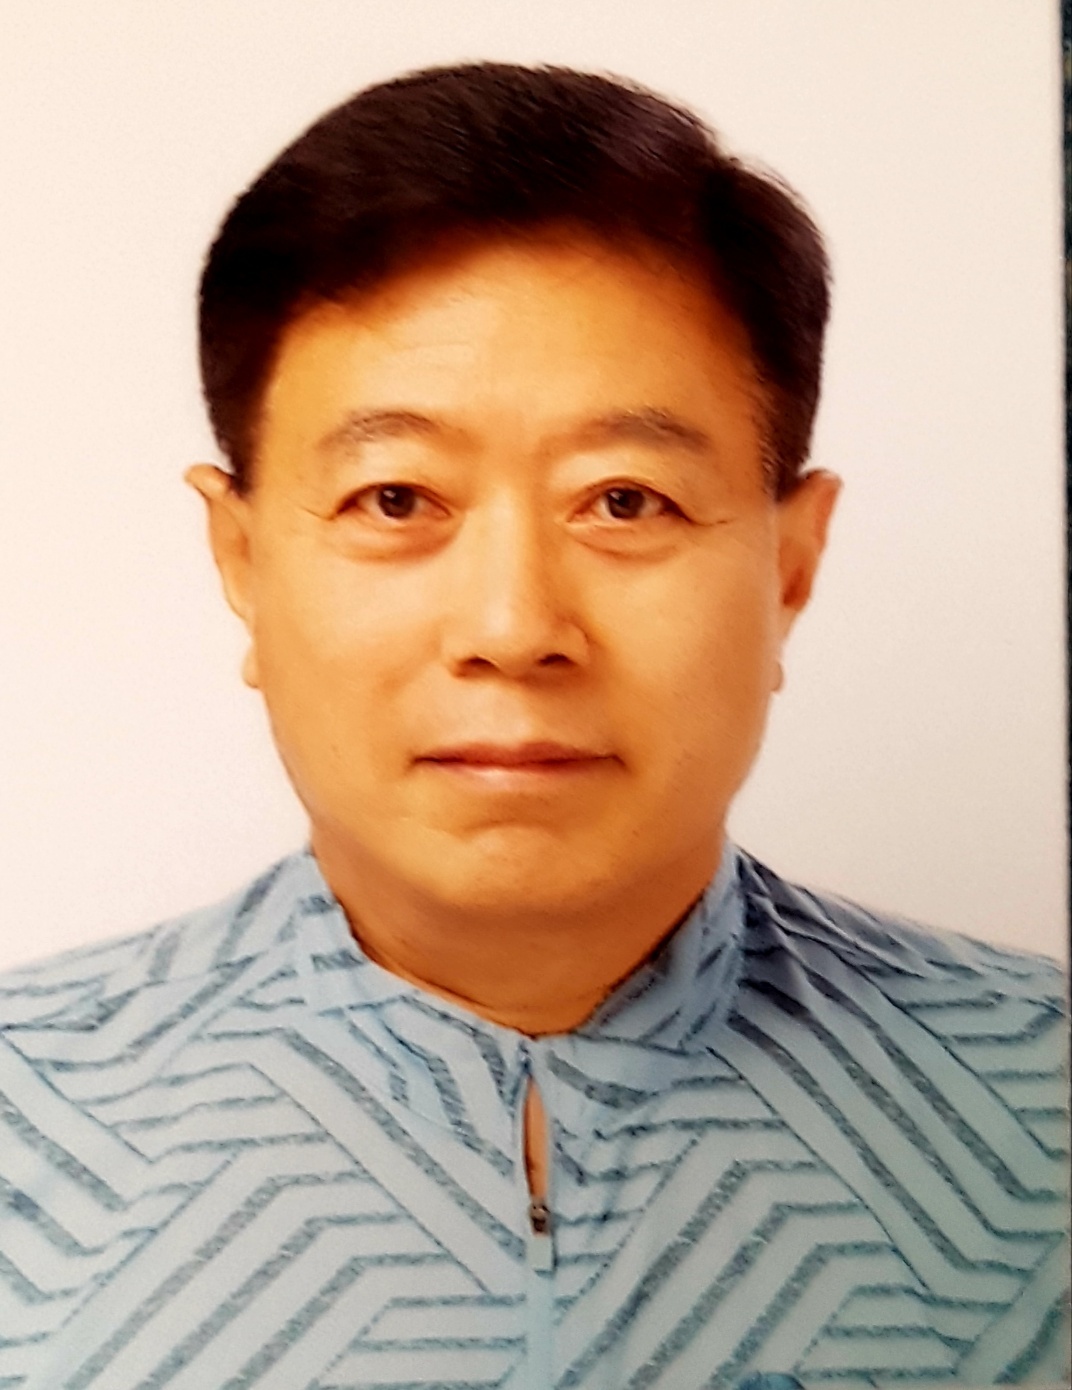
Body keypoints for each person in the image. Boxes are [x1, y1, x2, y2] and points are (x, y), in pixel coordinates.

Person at [0, 61, 1066, 1389]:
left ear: (790, 566)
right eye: (396, 499)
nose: (513, 626)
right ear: (243, 560)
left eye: (625, 501)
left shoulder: (1042, 1104)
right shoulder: (27, 1124)